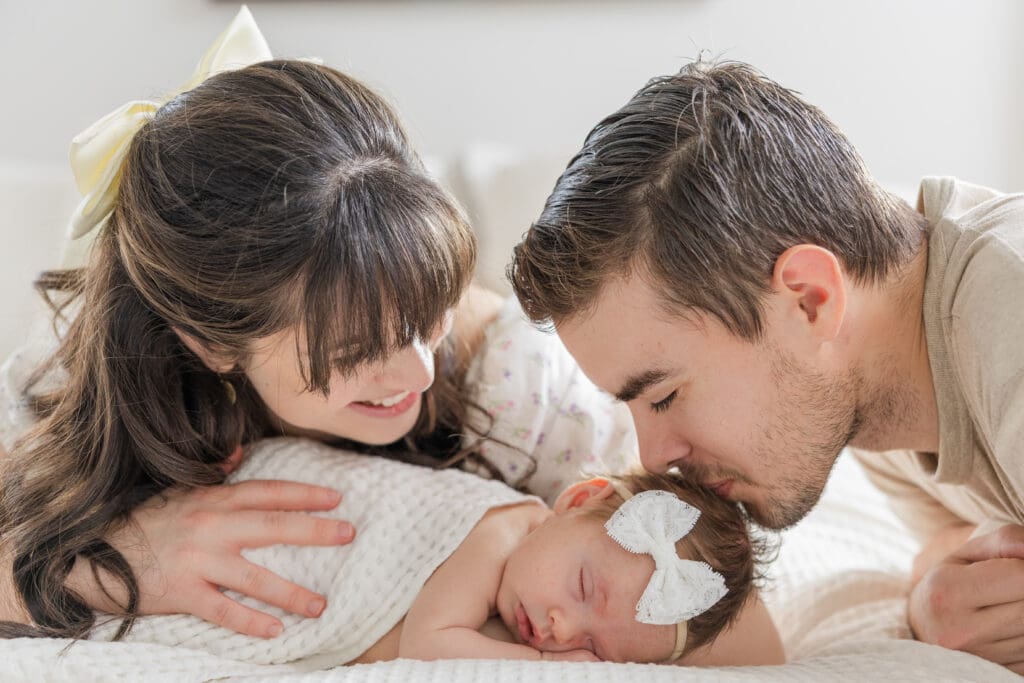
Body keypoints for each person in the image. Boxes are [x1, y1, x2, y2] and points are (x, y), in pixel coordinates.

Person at [0, 9, 501, 642]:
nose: (418, 370)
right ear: (209, 343)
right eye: (352, 352)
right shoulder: (73, 379)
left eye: (427, 314)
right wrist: (109, 567)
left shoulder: (511, 375)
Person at [508, 59, 1024, 672]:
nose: (652, 456)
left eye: (665, 396)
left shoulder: (1007, 322)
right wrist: (934, 596)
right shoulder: (873, 381)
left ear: (809, 299)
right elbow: (955, 542)